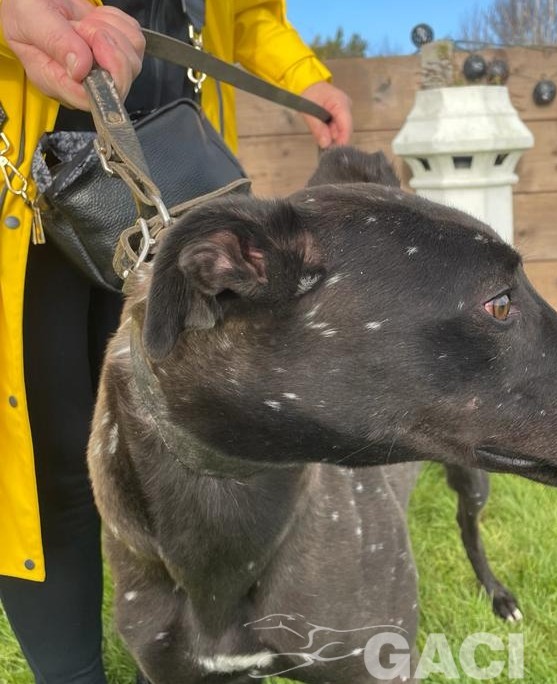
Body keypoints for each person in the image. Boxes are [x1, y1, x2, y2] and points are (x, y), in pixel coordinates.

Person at [0, 1, 352, 681]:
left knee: (188, 454)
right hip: (29, 163)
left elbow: (248, 11)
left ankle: (174, 664)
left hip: (181, 172)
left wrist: (302, 77)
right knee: (46, 459)